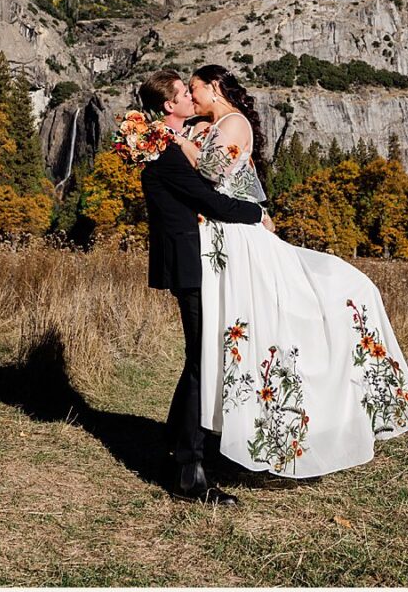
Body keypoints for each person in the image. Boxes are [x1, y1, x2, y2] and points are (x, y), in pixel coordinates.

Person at [175, 64, 408, 478]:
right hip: (220, 238)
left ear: (214, 87)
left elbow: (213, 172)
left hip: (238, 237)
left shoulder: (233, 123)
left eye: (195, 88)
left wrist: (177, 141)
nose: (192, 95)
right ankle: (208, 436)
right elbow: (241, 183)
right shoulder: (208, 127)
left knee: (283, 318)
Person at [136, 68, 276, 505]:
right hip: (192, 265)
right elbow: (211, 201)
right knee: (202, 360)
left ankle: (179, 447)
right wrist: (258, 215)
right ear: (169, 105)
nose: (190, 98)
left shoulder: (174, 142)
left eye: (191, 89)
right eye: (184, 92)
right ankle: (190, 473)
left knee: (200, 359)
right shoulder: (166, 151)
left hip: (199, 261)